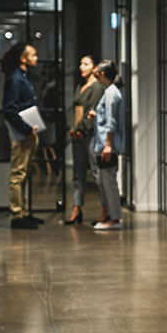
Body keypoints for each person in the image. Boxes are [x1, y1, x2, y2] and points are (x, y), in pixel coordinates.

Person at [2, 41, 43, 229]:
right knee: (18, 174)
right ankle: (17, 214)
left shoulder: (22, 78)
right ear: (22, 58)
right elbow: (10, 109)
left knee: (24, 173)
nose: (36, 58)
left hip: (27, 131)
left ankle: (23, 212)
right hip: (21, 132)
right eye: (32, 55)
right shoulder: (16, 79)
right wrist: (26, 128)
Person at [65, 55, 102, 225]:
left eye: (86, 64)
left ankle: (105, 209)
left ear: (94, 68)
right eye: (81, 63)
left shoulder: (97, 87)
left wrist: (80, 129)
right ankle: (76, 208)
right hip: (76, 134)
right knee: (77, 174)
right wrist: (72, 128)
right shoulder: (80, 86)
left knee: (96, 171)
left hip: (89, 134)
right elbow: (73, 109)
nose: (82, 67)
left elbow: (91, 112)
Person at [90, 62, 126, 231]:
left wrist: (108, 145)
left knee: (109, 182)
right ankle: (112, 216)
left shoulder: (111, 93)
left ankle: (115, 218)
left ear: (102, 73)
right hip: (105, 143)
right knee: (106, 181)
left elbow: (111, 121)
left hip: (107, 144)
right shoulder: (110, 92)